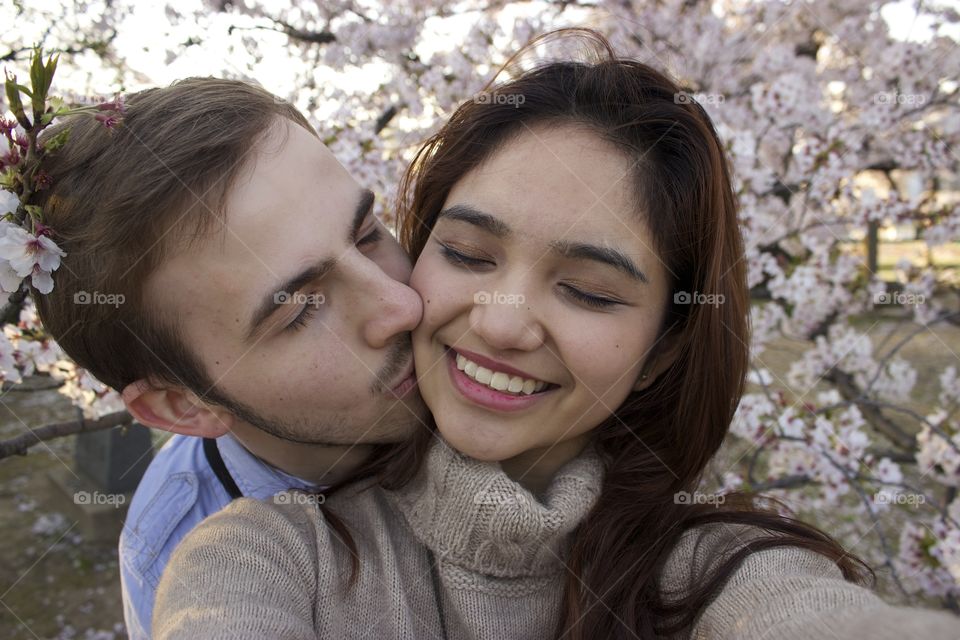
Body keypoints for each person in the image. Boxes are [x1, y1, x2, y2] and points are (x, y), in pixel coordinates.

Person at [152, 32, 960, 639]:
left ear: (664, 350)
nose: (501, 320)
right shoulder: (270, 559)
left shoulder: (717, 570)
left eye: (587, 290)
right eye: (467, 253)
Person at [30, 78, 429, 639]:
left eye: (367, 235)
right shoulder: (171, 561)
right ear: (180, 406)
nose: (403, 304)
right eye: (299, 312)